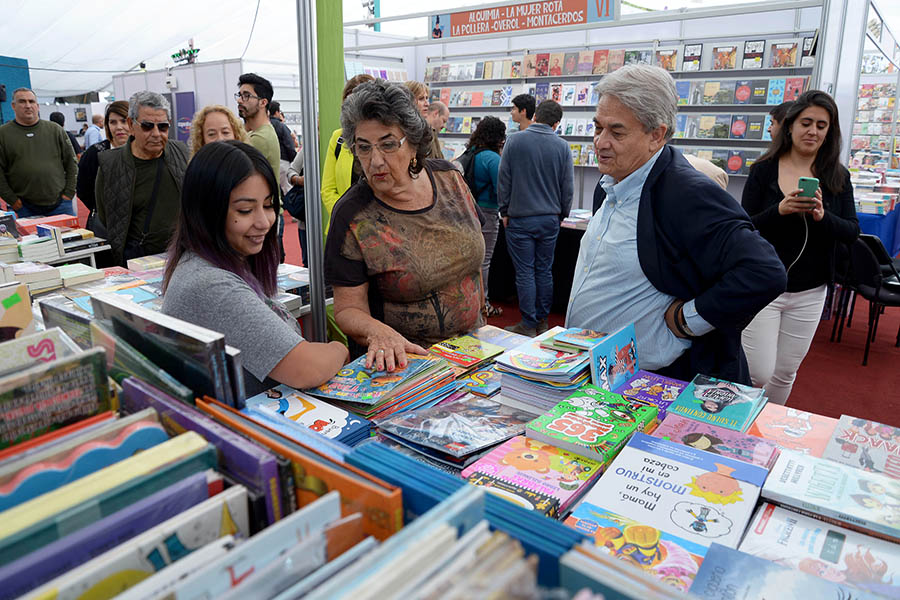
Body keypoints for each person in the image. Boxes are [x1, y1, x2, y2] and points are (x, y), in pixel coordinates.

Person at [567, 65, 786, 385]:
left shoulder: (687, 194)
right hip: (603, 371)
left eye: (617, 132)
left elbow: (765, 271)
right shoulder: (612, 182)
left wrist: (689, 320)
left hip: (654, 381)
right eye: (597, 128)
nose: (600, 142)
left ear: (656, 134)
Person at [162, 141, 348, 394]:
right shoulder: (211, 285)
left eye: (269, 205)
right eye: (246, 210)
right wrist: (340, 349)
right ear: (206, 211)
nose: (264, 222)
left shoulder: (216, 263)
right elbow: (308, 369)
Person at [324, 79, 485, 372]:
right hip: (407, 368)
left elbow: (473, 257)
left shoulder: (451, 181)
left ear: (412, 141)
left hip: (474, 352)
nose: (375, 161)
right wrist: (377, 331)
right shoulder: (352, 215)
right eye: (363, 147)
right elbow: (347, 309)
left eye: (387, 145)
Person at [741, 90, 858, 405]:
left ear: (829, 133)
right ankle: (736, 430)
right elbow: (744, 226)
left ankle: (765, 433)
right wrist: (779, 211)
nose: (814, 131)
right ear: (790, 126)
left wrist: (822, 216)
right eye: (807, 122)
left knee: (784, 373)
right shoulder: (764, 170)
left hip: (810, 291)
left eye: (822, 125)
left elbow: (851, 231)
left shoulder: (837, 176)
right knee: (758, 373)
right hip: (764, 286)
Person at [498, 99, 573, 336]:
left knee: (525, 271)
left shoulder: (515, 141)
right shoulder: (562, 147)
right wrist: (562, 212)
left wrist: (504, 210)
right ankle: (541, 321)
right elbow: (567, 186)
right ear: (557, 123)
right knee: (544, 270)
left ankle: (528, 323)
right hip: (549, 218)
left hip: (520, 218)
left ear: (536, 116)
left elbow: (504, 178)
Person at [96, 91, 189, 266]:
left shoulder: (181, 152)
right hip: (136, 261)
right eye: (147, 126)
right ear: (131, 125)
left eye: (163, 127)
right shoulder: (110, 165)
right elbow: (107, 215)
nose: (156, 133)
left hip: (181, 256)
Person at [0, 88, 78, 218]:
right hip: (25, 207)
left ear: (37, 106)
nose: (28, 105)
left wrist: (69, 193)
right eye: (22, 101)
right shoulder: (3, 134)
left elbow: (72, 162)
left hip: (61, 205)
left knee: (68, 239)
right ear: (13, 106)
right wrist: (12, 200)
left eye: (31, 101)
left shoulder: (55, 130)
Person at [236, 73, 284, 262]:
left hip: (262, 219)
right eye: (239, 95)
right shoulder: (260, 133)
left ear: (263, 102)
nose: (240, 100)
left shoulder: (260, 139)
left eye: (247, 96)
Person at [321, 74, 374, 235]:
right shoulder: (338, 137)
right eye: (349, 103)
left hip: (379, 230)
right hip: (343, 229)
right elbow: (327, 189)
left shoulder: (384, 140)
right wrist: (349, 215)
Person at [466, 116, 506, 319]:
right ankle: (484, 303)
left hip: (468, 211)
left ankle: (471, 301)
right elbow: (502, 189)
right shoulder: (493, 159)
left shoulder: (471, 153)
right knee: (484, 260)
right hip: (488, 213)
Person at [77, 100, 129, 217]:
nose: (119, 127)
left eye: (124, 121)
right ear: (107, 125)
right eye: (113, 122)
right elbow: (83, 190)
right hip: (105, 220)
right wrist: (101, 210)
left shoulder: (143, 151)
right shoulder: (94, 153)